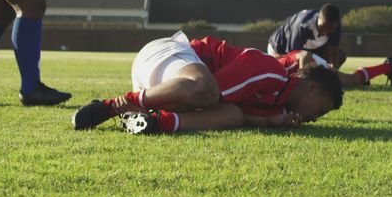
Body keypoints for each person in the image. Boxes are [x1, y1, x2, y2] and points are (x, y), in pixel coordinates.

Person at [72, 31, 343, 134]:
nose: (315, 118)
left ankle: (157, 122)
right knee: (207, 91)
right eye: (319, 110)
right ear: (311, 88)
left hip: (164, 86)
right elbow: (212, 92)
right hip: (166, 54)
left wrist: (273, 119)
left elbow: (232, 108)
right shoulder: (271, 72)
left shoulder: (277, 103)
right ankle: (114, 105)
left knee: (233, 115)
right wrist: (267, 119)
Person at [267, 5, 344, 68]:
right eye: (323, 26)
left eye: (330, 29)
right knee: (292, 68)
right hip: (280, 49)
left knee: (340, 56)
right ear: (318, 19)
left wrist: (333, 69)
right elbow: (294, 56)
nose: (326, 31)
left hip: (309, 49)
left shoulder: (336, 26)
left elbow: (332, 52)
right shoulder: (302, 25)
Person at [275, 49, 392, 87]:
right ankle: (382, 69)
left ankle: (387, 66)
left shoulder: (272, 67)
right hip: (306, 59)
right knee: (350, 80)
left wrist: (302, 83)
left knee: (349, 80)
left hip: (311, 61)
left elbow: (304, 55)